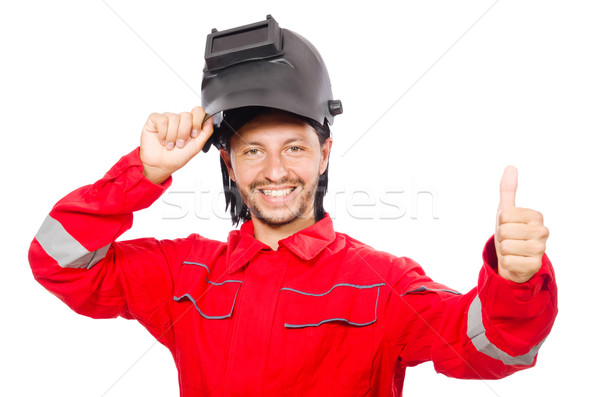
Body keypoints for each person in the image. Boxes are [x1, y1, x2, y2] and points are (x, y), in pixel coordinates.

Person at [29, 16, 557, 396]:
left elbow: (496, 351)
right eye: (253, 150)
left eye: (295, 148)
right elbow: (57, 262)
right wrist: (141, 176)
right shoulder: (182, 275)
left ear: (324, 155)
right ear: (230, 166)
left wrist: (515, 282)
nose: (275, 171)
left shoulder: (383, 284)